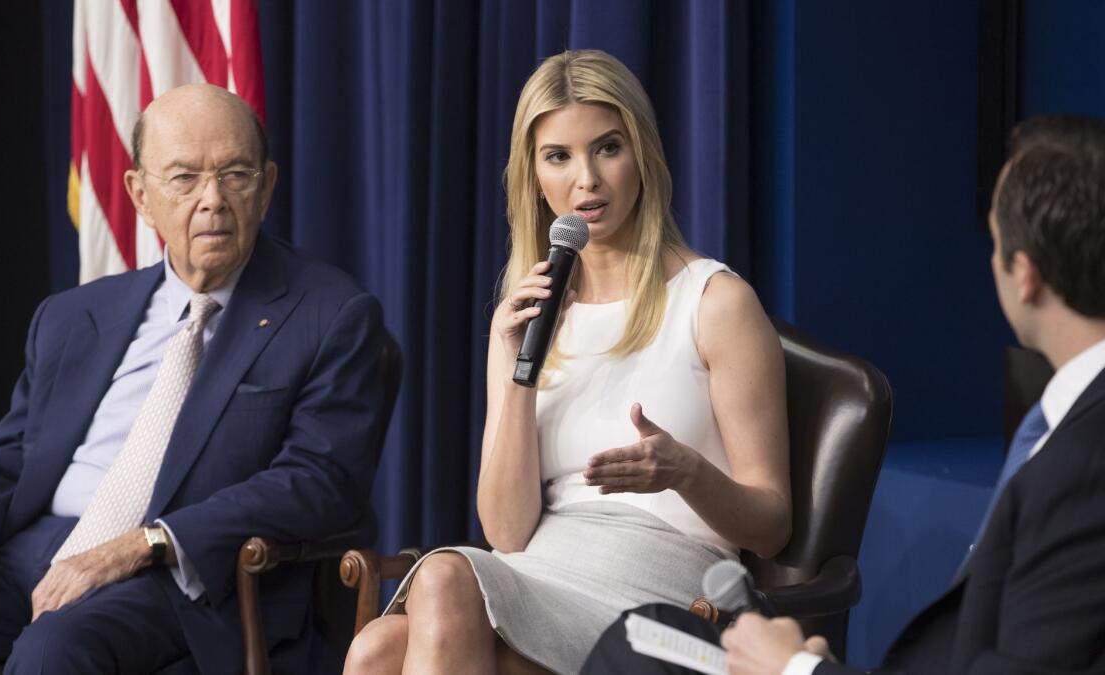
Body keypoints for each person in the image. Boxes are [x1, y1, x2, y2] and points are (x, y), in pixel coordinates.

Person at [584, 116, 1105, 675]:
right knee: (639, 641)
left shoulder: (1083, 470)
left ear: (1023, 275)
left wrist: (795, 671)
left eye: (996, 240)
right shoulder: (1072, 422)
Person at [0, 84, 387, 674]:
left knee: (54, 648)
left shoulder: (330, 314)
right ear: (140, 194)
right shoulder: (73, 315)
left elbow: (319, 481)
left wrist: (143, 543)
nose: (213, 199)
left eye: (235, 173)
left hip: (182, 574)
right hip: (26, 553)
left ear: (267, 185)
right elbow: (15, 454)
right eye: (184, 178)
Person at [345, 49, 791, 675]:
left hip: (663, 596)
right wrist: (512, 363)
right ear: (533, 175)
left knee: (426, 599)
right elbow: (505, 532)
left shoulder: (715, 303)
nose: (587, 179)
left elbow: (771, 526)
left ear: (643, 154)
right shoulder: (526, 315)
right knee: (376, 648)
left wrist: (686, 470)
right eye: (559, 156)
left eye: (608, 148)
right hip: (546, 568)